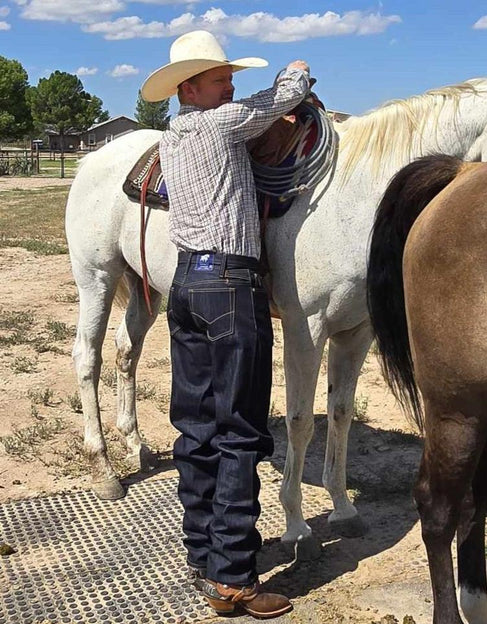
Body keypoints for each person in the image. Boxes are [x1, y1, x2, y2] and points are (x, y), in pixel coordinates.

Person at [141, 30, 310, 619]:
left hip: (186, 285)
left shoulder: (173, 135)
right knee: (240, 431)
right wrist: (298, 67)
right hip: (230, 287)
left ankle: (202, 551)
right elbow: (282, 97)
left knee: (195, 425)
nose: (230, 84)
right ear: (189, 87)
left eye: (228, 76)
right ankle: (235, 578)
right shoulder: (221, 123)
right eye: (219, 78)